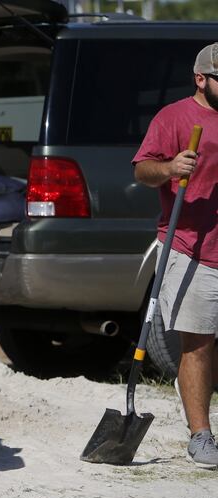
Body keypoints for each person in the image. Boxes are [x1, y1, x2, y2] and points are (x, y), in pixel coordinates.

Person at [133, 42, 218, 468]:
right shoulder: (175, 118)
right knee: (198, 343)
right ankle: (201, 436)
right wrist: (169, 169)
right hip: (192, 248)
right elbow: (142, 168)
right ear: (201, 79)